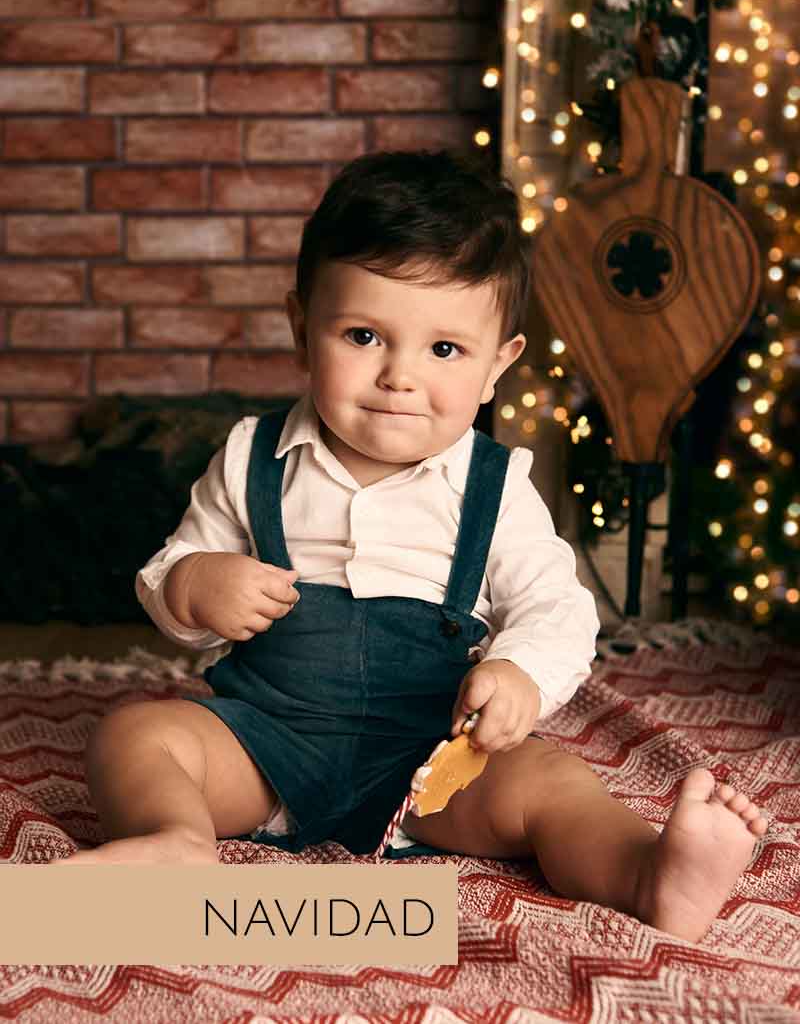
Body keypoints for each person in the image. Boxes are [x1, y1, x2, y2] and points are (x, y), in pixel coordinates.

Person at [54, 149, 768, 945]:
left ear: (497, 366)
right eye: (363, 335)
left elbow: (556, 608)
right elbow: (165, 573)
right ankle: (176, 843)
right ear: (302, 331)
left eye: (444, 350)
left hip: (436, 763)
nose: (399, 376)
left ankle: (646, 872)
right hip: (265, 745)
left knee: (552, 782)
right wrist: (195, 584)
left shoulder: (496, 488)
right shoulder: (252, 456)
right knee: (134, 736)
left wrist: (519, 672)